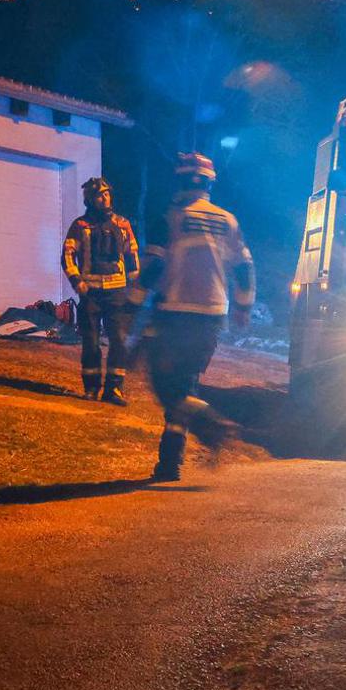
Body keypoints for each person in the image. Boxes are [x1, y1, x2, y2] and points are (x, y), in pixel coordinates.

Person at [127, 152, 255, 482]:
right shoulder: (228, 220)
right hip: (212, 316)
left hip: (173, 314)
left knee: (166, 389)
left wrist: (132, 301)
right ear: (210, 183)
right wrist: (243, 305)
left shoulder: (170, 217)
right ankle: (170, 463)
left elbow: (154, 266)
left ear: (181, 180)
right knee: (186, 387)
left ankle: (214, 425)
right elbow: (244, 267)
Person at [63, 176, 140, 404]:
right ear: (90, 200)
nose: (104, 198)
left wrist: (135, 286)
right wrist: (77, 281)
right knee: (91, 341)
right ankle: (91, 388)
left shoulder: (122, 224)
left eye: (106, 194)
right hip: (90, 293)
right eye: (99, 195)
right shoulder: (80, 226)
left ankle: (114, 389)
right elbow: (67, 255)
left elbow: (132, 255)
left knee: (119, 340)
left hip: (117, 292)